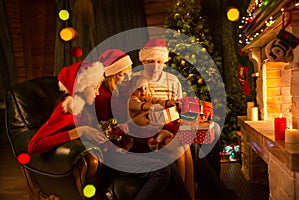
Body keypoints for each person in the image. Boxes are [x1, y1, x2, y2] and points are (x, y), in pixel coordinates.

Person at [28, 57, 191, 200]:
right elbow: (34, 146)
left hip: (117, 154)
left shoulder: (90, 106)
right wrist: (79, 131)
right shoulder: (67, 110)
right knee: (161, 171)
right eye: (96, 86)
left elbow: (108, 130)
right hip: (107, 162)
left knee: (167, 165)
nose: (98, 92)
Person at [135, 38, 239, 200]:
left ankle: (208, 190)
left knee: (212, 131)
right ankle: (219, 193)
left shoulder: (173, 80)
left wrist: (195, 117)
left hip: (175, 126)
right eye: (150, 61)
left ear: (164, 61)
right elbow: (137, 113)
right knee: (193, 148)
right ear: (142, 61)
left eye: (159, 61)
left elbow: (181, 109)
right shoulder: (137, 81)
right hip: (152, 132)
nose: (155, 66)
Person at [95, 49, 192, 200]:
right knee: (162, 170)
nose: (128, 78)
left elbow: (149, 102)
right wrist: (133, 123)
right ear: (111, 76)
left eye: (128, 73)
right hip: (112, 156)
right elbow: (103, 133)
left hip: (130, 147)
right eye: (122, 74)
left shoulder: (122, 92)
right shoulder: (101, 97)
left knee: (170, 164)